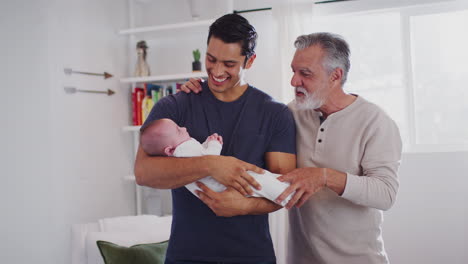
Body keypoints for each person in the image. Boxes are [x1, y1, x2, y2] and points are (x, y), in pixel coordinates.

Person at [182, 32, 403, 264]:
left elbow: (385, 194)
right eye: (293, 71)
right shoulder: (292, 113)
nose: (294, 81)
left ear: (335, 76)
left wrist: (324, 177)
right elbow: (241, 115)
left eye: (305, 74)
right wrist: (203, 92)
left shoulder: (375, 121)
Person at [134, 13, 296, 264]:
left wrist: (244, 206)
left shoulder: (275, 114)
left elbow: (284, 188)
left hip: (252, 257)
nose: (217, 71)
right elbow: (143, 173)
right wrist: (211, 165)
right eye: (211, 59)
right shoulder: (175, 106)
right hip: (186, 256)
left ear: (249, 61)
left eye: (229, 64)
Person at [139, 118, 294, 206]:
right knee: (260, 182)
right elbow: (210, 161)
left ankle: (284, 190)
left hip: (220, 186)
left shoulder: (178, 152)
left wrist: (206, 143)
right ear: (169, 150)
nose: (184, 127)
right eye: (179, 130)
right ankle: (287, 195)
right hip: (222, 185)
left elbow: (200, 157)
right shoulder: (182, 150)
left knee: (261, 183)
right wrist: (215, 144)